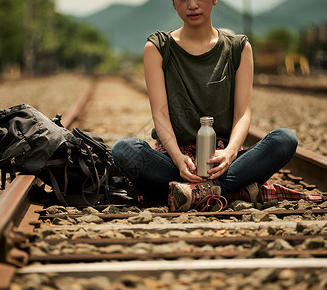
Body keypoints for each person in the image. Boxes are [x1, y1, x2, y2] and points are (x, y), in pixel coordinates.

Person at [112, 0, 298, 211]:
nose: (192, 5)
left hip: (223, 163)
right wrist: (178, 158)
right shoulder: (158, 47)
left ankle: (194, 193)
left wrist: (229, 154)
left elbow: (242, 114)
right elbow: (160, 115)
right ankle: (231, 189)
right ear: (174, 3)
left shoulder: (238, 47)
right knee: (124, 149)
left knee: (284, 140)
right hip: (175, 163)